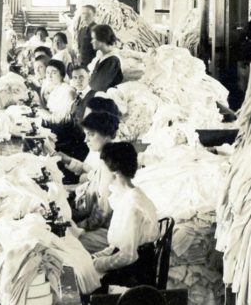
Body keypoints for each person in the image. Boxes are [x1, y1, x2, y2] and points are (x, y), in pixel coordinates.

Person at [90, 141, 161, 287]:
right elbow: (117, 246)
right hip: (131, 266)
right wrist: (94, 257)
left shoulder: (132, 204)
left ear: (115, 172)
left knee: (85, 285)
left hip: (135, 275)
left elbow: (128, 255)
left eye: (103, 170)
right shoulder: (126, 196)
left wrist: (96, 264)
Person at [64, 111, 119, 245]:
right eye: (86, 135)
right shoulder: (105, 158)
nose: (85, 140)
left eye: (91, 134)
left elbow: (101, 214)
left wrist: (77, 227)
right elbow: (91, 176)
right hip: (95, 223)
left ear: (106, 135)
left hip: (105, 232)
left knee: (61, 243)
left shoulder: (109, 165)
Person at [85, 23, 124, 93]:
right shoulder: (101, 55)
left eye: (93, 39)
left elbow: (98, 86)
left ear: (102, 39)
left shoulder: (113, 60)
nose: (91, 42)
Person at [40, 60, 77, 125]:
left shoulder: (67, 91)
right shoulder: (56, 88)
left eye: (54, 73)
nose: (49, 76)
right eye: (47, 72)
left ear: (62, 75)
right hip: (52, 123)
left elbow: (59, 120)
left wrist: (40, 112)